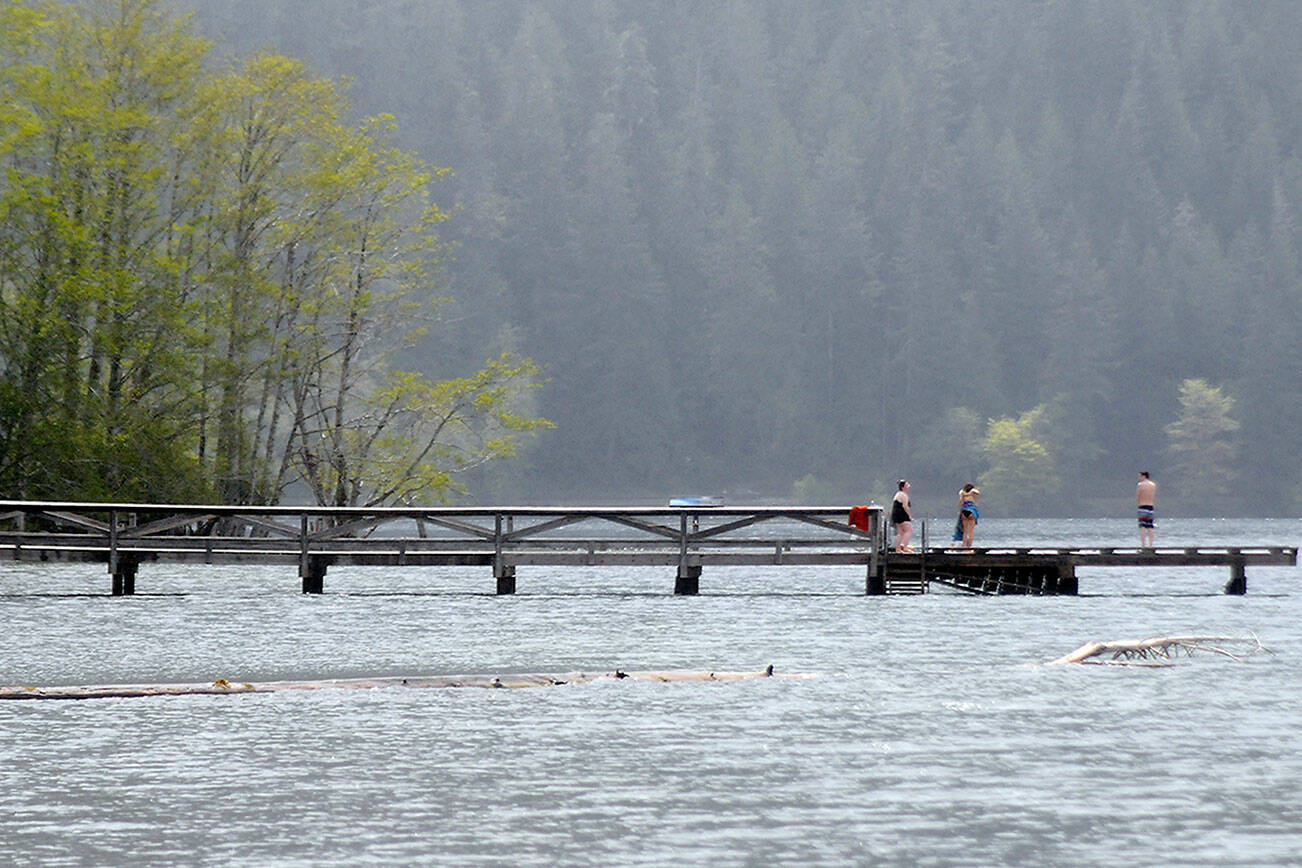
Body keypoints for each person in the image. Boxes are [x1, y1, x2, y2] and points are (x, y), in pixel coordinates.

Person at [891, 480, 913, 552]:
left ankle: (898, 549)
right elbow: (905, 506)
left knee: (900, 532)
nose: (908, 487)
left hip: (896, 514)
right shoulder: (903, 495)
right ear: (903, 487)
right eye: (907, 485)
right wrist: (909, 515)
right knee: (908, 530)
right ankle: (905, 547)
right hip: (901, 514)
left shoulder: (898, 494)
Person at [1137, 471, 1156, 548]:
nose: (1139, 478)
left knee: (1142, 527)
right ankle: (1151, 545)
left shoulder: (1140, 485)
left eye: (1140, 476)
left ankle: (1143, 545)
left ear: (1144, 476)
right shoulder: (1153, 485)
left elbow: (1138, 495)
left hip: (1142, 506)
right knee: (1150, 527)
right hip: (1151, 506)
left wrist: (1138, 503)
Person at [958, 483, 980, 549]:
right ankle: (969, 546)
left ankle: (964, 545)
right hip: (971, 511)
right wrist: (971, 492)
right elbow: (978, 492)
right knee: (971, 531)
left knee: (965, 531)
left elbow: (960, 502)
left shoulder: (962, 493)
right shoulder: (972, 492)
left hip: (964, 511)